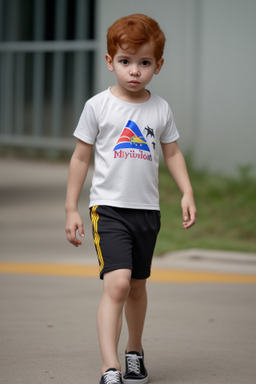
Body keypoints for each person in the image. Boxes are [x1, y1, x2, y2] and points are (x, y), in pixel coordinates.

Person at [65, 13, 197, 384]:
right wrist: (70, 207)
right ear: (110, 62)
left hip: (147, 212)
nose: (134, 71)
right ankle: (110, 366)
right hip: (107, 209)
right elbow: (80, 157)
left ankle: (134, 351)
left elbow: (171, 153)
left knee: (137, 285)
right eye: (125, 62)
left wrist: (186, 191)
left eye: (144, 62)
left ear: (158, 64)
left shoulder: (160, 109)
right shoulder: (98, 106)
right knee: (118, 283)